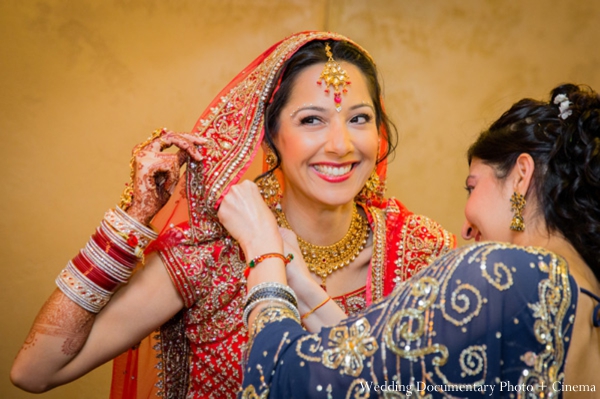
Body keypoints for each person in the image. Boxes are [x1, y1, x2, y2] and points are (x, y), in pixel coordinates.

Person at [10, 31, 455, 398]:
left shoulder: (422, 253)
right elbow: (35, 371)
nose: (340, 144)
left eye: (359, 119)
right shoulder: (215, 256)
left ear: (380, 132)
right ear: (269, 137)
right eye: (311, 120)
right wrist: (133, 217)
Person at [218, 83, 600, 398]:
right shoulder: (586, 295)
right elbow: (382, 379)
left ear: (520, 176)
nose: (465, 230)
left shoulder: (501, 273)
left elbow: (288, 381)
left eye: (472, 186)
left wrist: (261, 248)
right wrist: (301, 282)